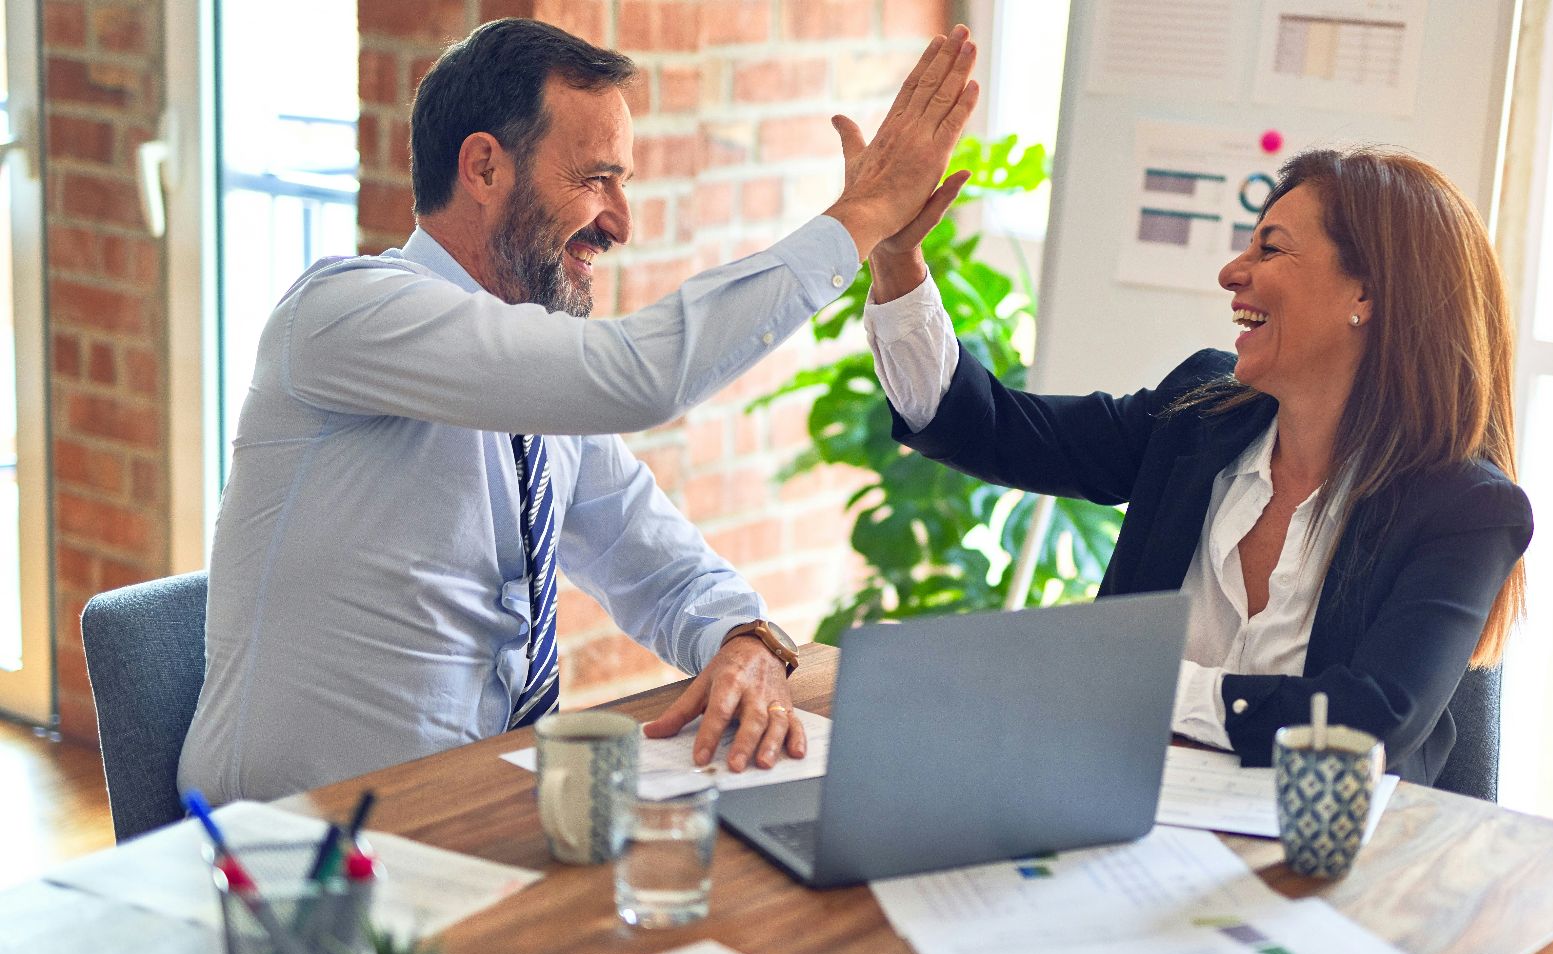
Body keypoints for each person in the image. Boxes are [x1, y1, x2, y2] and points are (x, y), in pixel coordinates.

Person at [178, 18, 978, 802]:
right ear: (484, 169)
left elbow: (659, 564)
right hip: (293, 853)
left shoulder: (536, 391)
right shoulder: (344, 314)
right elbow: (640, 376)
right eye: (597, 178)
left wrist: (745, 639)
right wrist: (862, 216)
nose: (621, 222)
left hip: (475, 818)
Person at [861, 147, 1531, 786]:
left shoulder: (1465, 508)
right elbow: (989, 428)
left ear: (1367, 294)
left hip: (1329, 867)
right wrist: (897, 260)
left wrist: (1141, 684)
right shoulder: (1199, 415)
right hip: (1124, 816)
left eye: (1269, 248)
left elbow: (1367, 723)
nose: (1232, 272)